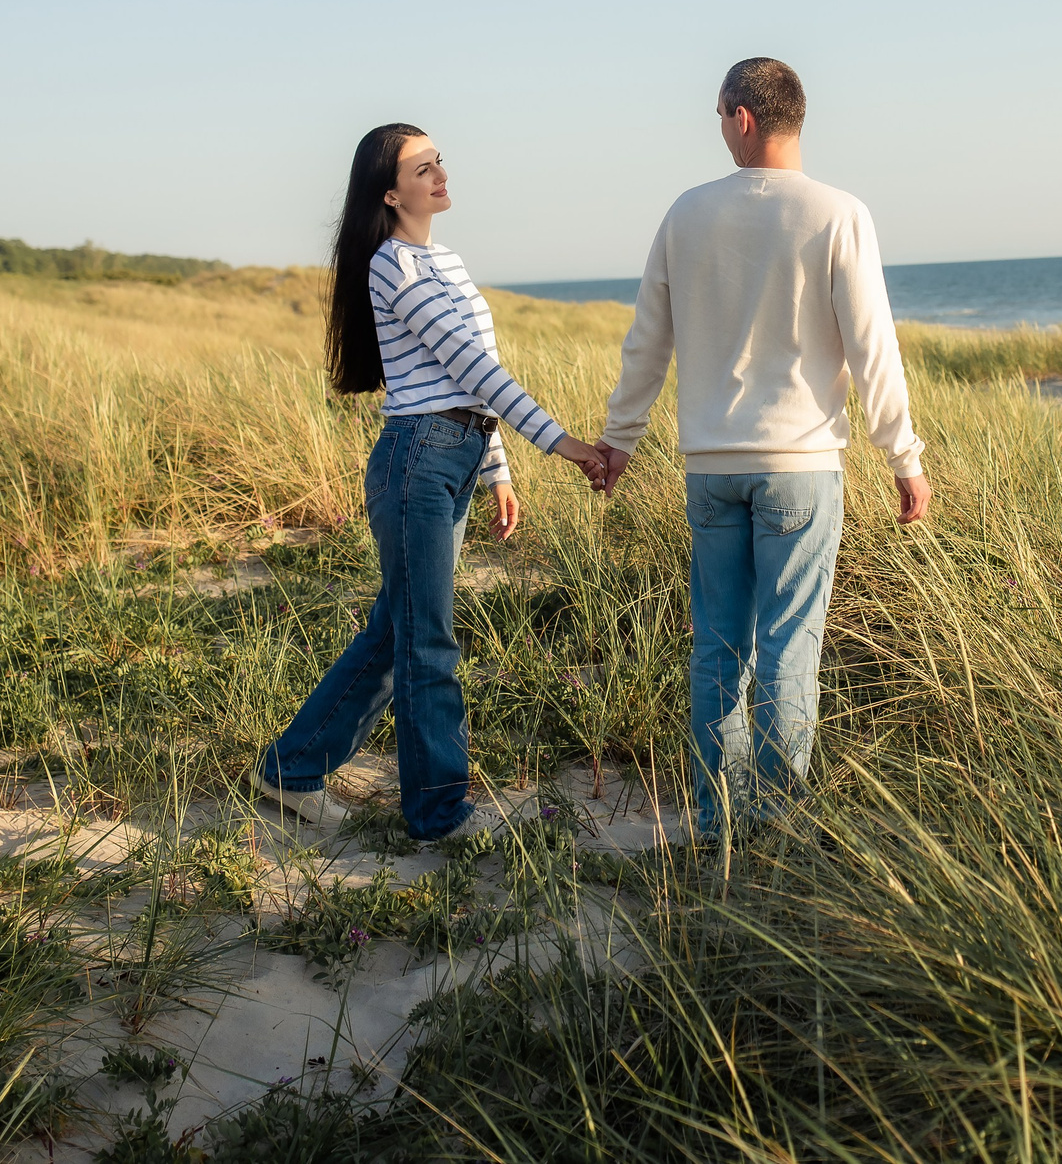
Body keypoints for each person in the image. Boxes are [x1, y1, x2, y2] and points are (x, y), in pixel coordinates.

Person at [595, 58, 930, 839]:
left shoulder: (686, 213)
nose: (719, 129)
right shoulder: (839, 213)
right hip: (801, 468)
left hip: (711, 469)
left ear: (744, 115)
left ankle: (718, 821)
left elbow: (647, 343)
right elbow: (872, 346)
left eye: (719, 114)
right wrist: (902, 455)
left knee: (717, 649)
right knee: (789, 649)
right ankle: (778, 828)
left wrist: (619, 440)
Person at [253, 123, 608, 839]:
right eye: (423, 167)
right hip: (417, 455)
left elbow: (476, 362)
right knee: (428, 641)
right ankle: (439, 814)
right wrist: (560, 442)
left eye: (439, 160)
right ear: (390, 192)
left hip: (455, 452)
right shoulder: (394, 265)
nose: (440, 173)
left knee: (400, 628)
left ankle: (289, 770)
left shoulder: (443, 259)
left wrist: (498, 469)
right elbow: (472, 368)